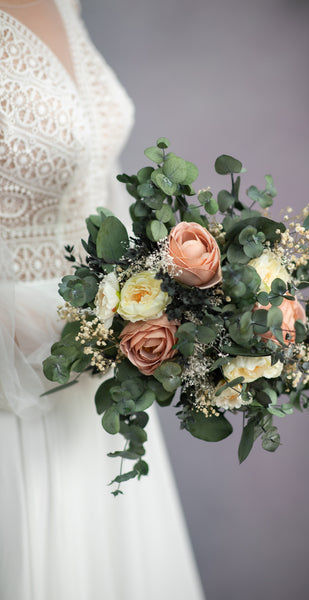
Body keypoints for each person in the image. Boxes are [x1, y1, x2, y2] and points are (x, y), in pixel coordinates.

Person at [0, 1, 205, 598]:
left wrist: (170, 287)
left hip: (97, 387)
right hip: (19, 387)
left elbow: (96, 171)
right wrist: (60, 320)